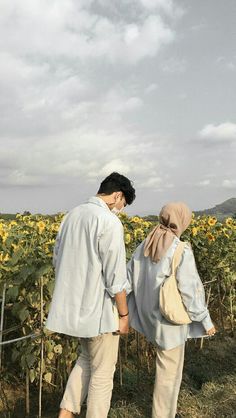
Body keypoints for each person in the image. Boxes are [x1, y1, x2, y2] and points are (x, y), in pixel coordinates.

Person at [46, 172, 136, 418]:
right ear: (117, 195)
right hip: (100, 313)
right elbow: (116, 277)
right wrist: (124, 314)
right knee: (103, 374)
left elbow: (57, 260)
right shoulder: (108, 221)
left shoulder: (70, 216)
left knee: (85, 360)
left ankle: (65, 414)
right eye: (122, 205)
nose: (120, 210)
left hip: (75, 309)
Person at [126, 202, 216, 418]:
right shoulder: (179, 249)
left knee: (165, 367)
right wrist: (205, 320)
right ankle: (164, 414)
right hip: (169, 321)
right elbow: (190, 290)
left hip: (149, 318)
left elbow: (128, 280)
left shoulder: (145, 244)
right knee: (169, 372)